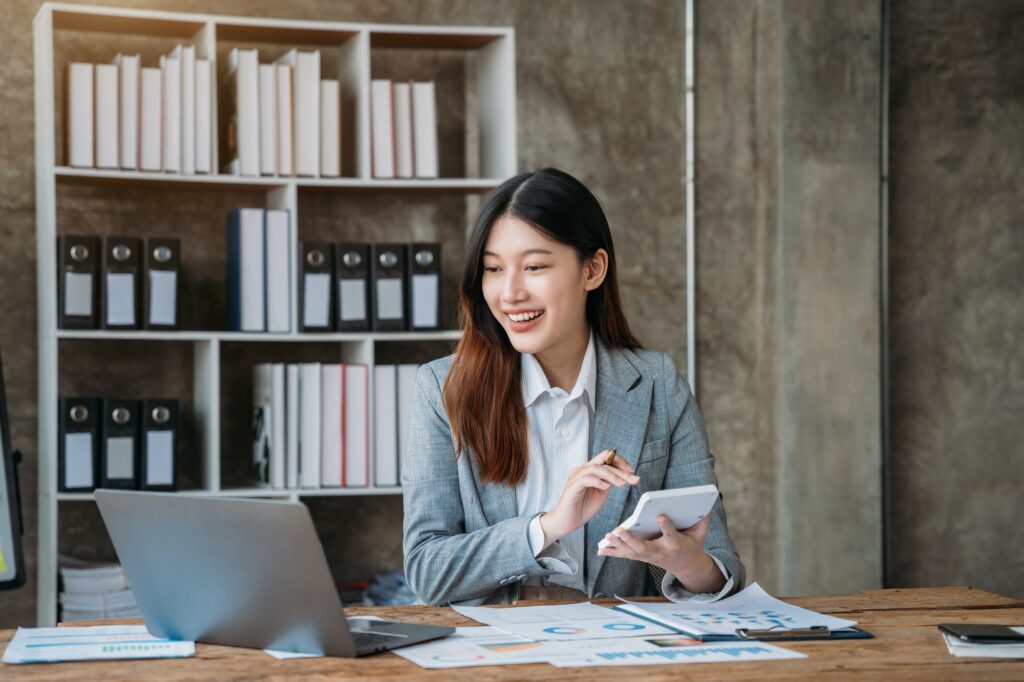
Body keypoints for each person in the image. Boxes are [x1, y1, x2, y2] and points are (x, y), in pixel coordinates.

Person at [402, 168, 744, 605]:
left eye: (534, 267)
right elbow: (427, 570)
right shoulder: (442, 388)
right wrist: (547, 526)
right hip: (493, 656)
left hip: (614, 656)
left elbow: (721, 564)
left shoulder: (658, 385)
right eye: (493, 268)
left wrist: (685, 563)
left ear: (592, 270)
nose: (509, 293)